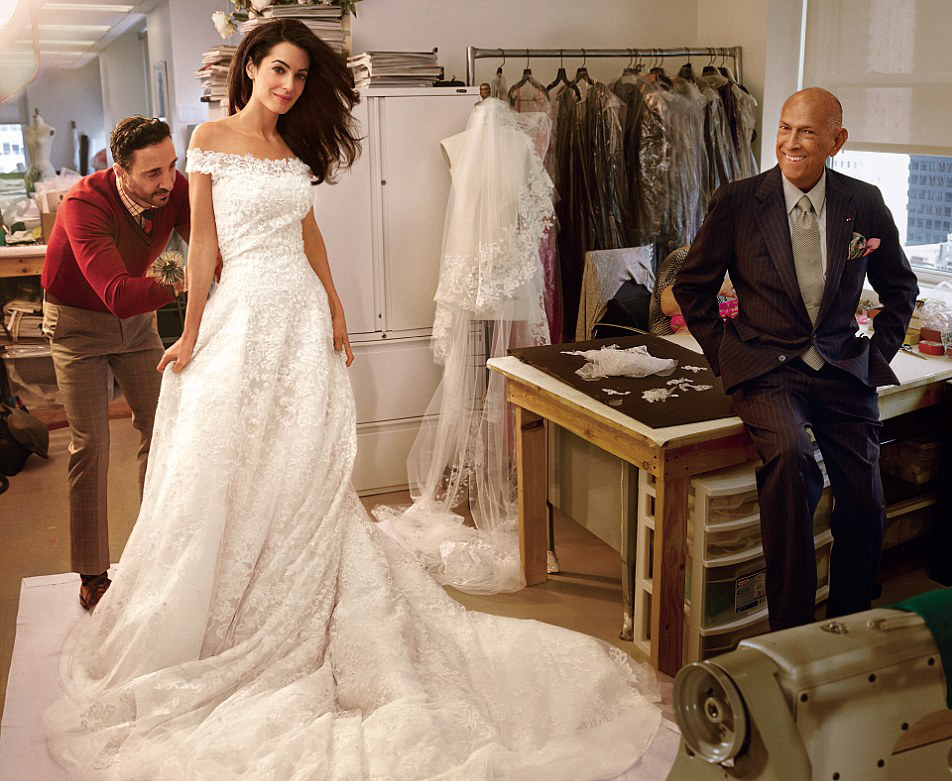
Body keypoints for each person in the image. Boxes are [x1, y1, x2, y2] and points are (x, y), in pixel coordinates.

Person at [44, 20, 661, 779]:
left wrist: (335, 307)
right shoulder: (207, 139)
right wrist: (193, 330)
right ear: (250, 67)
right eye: (279, 70)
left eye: (300, 76)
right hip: (243, 317)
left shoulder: (292, 147)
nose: (288, 86)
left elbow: (310, 236)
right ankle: (230, 605)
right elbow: (203, 246)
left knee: (305, 466)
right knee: (231, 460)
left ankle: (306, 583)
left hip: (300, 318)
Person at [674, 87, 918, 630]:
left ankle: (848, 624)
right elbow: (692, 287)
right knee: (791, 464)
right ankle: (791, 630)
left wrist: (877, 354)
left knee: (866, 499)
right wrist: (726, 356)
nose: (791, 142)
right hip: (767, 368)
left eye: (807, 131)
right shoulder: (738, 201)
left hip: (841, 367)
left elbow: (900, 287)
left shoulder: (864, 202)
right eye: (785, 128)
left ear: (837, 140)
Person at [41, 116, 188, 610]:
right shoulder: (84, 204)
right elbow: (118, 294)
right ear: (120, 170)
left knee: (162, 429)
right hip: (77, 324)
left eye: (172, 165)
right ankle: (92, 573)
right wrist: (185, 280)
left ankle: (156, 552)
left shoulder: (174, 188)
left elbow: (210, 241)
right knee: (91, 445)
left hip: (137, 324)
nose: (167, 181)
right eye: (153, 173)